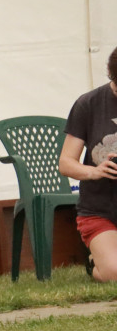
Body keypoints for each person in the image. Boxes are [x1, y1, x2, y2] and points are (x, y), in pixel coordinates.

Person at [59, 46, 117, 282]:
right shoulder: (89, 104)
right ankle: (97, 263)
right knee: (115, 273)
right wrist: (95, 171)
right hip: (100, 210)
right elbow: (65, 163)